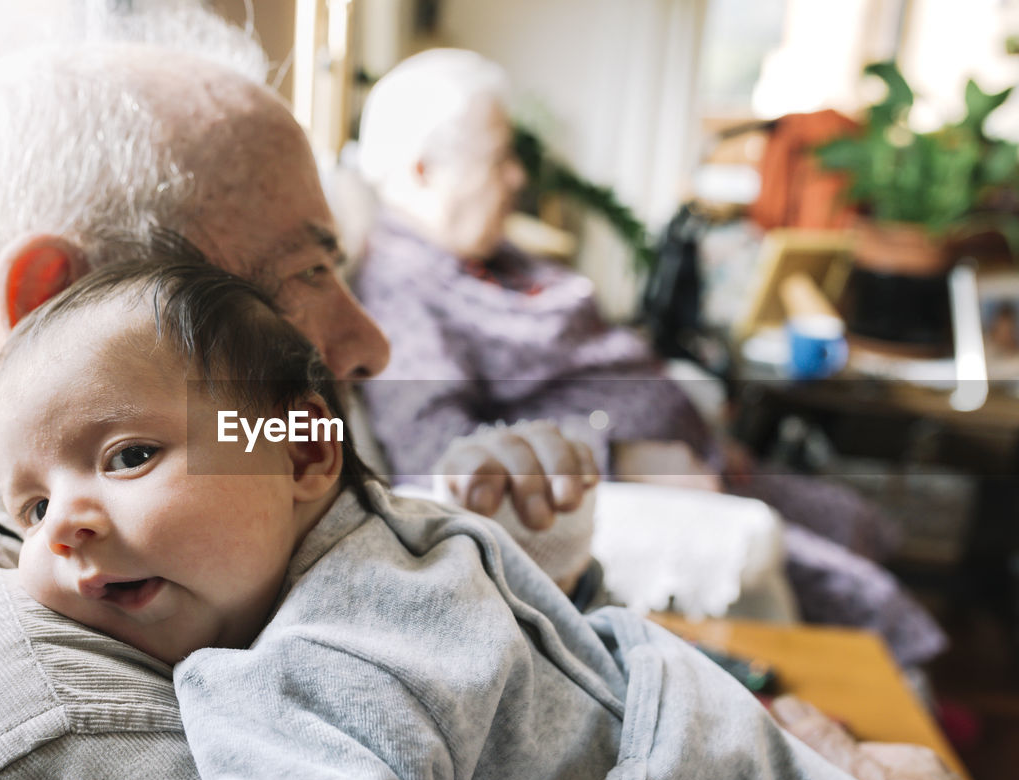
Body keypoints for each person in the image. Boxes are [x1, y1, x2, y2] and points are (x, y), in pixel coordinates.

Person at [0, 9, 999, 780]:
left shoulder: (182, 492)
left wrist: (517, 545)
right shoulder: (68, 725)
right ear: (59, 304)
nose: (368, 342)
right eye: (306, 273)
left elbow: (391, 558)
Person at [0, 256, 907, 780]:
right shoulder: (383, 544)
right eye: (29, 506)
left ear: (303, 453)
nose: (65, 525)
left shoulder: (332, 655)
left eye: (130, 456)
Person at [353, 47, 946, 668]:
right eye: (499, 159)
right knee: (865, 594)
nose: (517, 179)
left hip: (702, 460)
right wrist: (621, 453)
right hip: (653, 485)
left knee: (853, 517)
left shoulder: (482, 252)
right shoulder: (402, 290)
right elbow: (437, 459)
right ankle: (914, 713)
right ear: (423, 170)